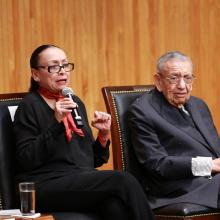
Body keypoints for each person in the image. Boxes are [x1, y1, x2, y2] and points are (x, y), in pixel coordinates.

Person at [13, 44, 154, 220]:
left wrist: (103, 137)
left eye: (65, 65)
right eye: (54, 66)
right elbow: (27, 159)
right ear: (35, 74)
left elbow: (91, 161)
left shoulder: (74, 102)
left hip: (77, 179)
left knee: (115, 207)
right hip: (43, 185)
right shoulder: (29, 106)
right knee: (123, 180)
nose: (62, 71)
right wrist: (56, 122)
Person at [128, 51, 220, 209]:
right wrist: (208, 165)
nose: (182, 86)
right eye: (174, 78)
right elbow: (157, 164)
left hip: (212, 179)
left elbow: (215, 149)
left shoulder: (199, 105)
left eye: (187, 78)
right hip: (179, 187)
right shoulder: (142, 111)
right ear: (158, 81)